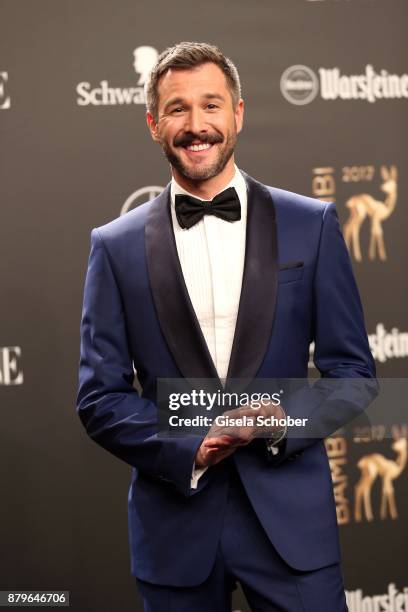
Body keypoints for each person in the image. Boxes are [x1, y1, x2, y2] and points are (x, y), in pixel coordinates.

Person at [77, 42, 376, 611]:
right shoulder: (112, 248)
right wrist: (191, 445)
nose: (196, 126)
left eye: (211, 106)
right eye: (178, 109)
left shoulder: (310, 225)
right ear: (153, 123)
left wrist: (282, 422)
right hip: (176, 530)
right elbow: (99, 397)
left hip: (292, 529)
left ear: (238, 113)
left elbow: (354, 374)